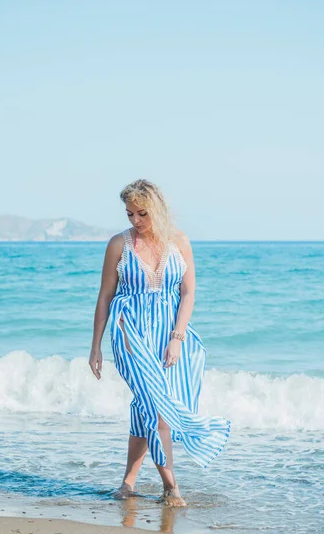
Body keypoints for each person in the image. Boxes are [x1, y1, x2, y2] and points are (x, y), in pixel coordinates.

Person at [89, 179, 231, 507]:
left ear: (158, 210)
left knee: (145, 406)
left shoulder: (179, 241)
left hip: (170, 336)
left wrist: (177, 337)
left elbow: (188, 292)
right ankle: (172, 488)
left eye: (142, 213)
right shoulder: (118, 245)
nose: (136, 221)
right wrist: (96, 345)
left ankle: (128, 483)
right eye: (130, 214)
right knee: (158, 411)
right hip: (130, 335)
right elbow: (106, 295)